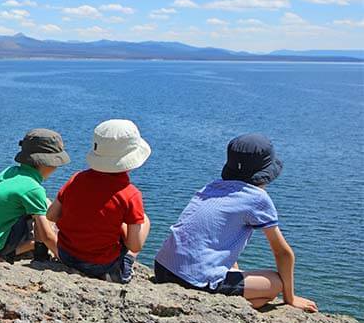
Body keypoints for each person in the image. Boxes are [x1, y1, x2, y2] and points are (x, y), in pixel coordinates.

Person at [153, 134, 318, 312]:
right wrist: (290, 298)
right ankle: (223, 306)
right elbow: (282, 253)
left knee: (252, 285)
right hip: (193, 280)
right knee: (275, 283)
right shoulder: (257, 198)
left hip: (163, 268)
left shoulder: (212, 187)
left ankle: (227, 302)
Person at [47, 119, 152, 283]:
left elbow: (51, 215)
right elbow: (135, 245)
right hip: (101, 265)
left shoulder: (76, 178)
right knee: (143, 219)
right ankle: (126, 264)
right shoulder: (130, 194)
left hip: (66, 255)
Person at [0, 128, 70, 264]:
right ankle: (38, 254)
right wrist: (65, 259)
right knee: (43, 214)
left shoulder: (10, 171)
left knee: (43, 205)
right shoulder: (33, 189)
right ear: (45, 163)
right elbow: (47, 236)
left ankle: (22, 249)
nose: (56, 168)